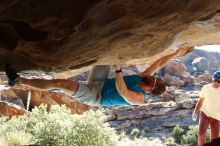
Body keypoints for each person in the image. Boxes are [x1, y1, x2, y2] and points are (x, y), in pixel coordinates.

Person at [5, 47, 193, 107]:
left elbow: (121, 90)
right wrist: (177, 52)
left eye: (156, 79)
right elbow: (160, 63)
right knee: (105, 54)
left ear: (152, 88)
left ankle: (18, 80)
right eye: (156, 77)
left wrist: (118, 70)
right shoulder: (145, 77)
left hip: (95, 97)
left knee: (60, 84)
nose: (154, 76)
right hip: (101, 82)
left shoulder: (139, 99)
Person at [192, 71, 220, 146]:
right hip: (205, 115)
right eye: (215, 80)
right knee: (201, 135)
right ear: (212, 80)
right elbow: (201, 100)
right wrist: (195, 112)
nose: (217, 83)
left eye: (219, 81)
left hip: (217, 118)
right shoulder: (206, 88)